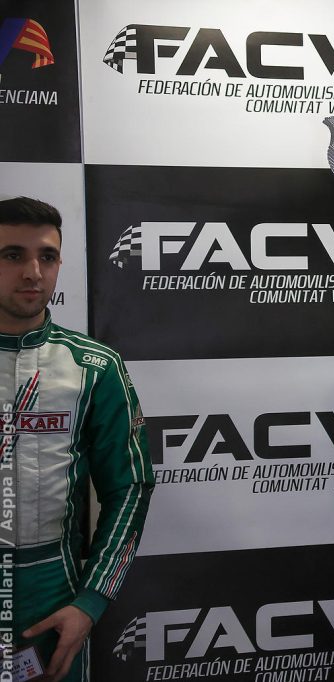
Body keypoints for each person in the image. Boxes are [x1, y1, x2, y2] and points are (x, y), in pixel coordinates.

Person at [0, 197, 154, 681]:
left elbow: (130, 486)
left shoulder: (95, 366)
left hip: (53, 586)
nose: (33, 272)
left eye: (47, 256)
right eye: (12, 255)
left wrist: (90, 601)